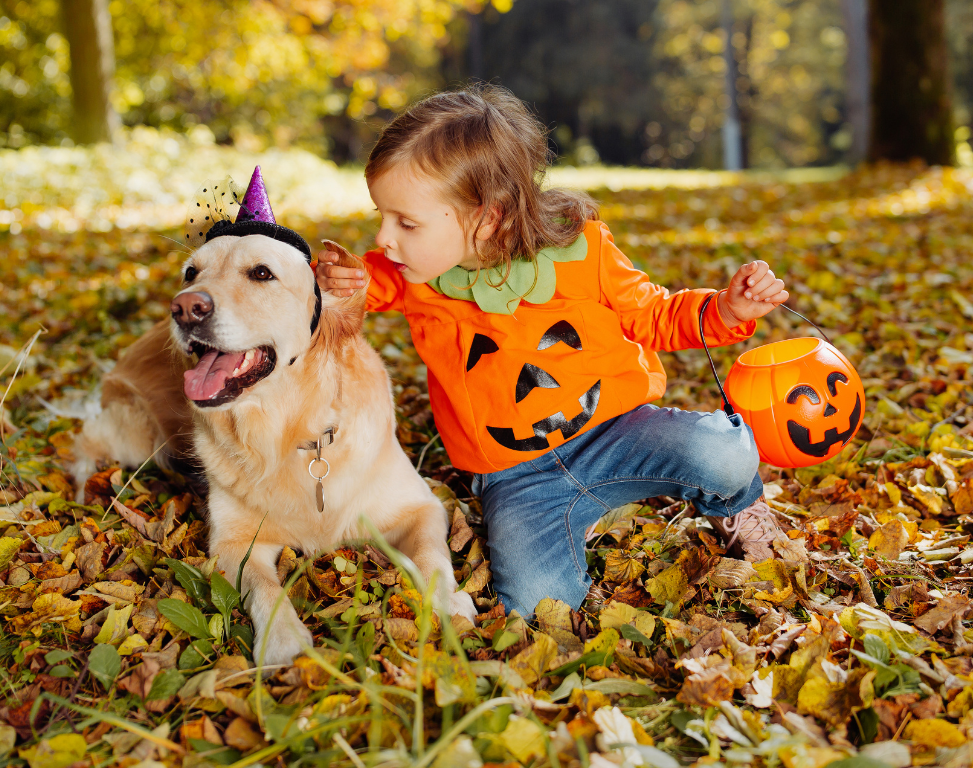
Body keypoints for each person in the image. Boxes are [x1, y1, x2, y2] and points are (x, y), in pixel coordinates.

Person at [315, 84, 791, 618]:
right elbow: (347, 295)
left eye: (406, 222)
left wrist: (725, 311)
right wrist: (339, 284)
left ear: (488, 216)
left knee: (726, 453)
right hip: (516, 476)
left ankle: (737, 508)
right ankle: (581, 512)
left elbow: (652, 315)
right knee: (539, 604)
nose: (383, 238)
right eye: (382, 215)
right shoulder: (409, 275)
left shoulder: (581, 251)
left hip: (616, 433)